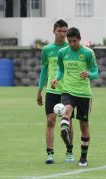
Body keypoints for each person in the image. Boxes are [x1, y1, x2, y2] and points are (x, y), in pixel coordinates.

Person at [51, 27, 99, 167]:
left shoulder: (88, 53)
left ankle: (83, 157)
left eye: (74, 41)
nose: (71, 44)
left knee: (83, 125)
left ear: (79, 39)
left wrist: (88, 74)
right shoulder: (62, 52)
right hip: (68, 91)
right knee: (67, 109)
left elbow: (96, 72)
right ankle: (64, 129)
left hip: (84, 94)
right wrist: (56, 78)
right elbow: (60, 69)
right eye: (69, 41)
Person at [37, 19, 74, 164]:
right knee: (50, 121)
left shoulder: (71, 48)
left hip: (68, 91)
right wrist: (39, 90)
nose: (62, 34)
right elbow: (44, 70)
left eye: (65, 31)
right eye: (60, 31)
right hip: (51, 91)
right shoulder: (47, 50)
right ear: (54, 31)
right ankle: (50, 153)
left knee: (68, 122)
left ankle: (69, 151)